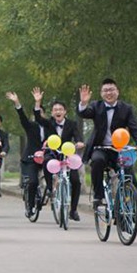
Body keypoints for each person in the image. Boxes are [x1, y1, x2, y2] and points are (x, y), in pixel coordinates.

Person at [77, 78, 137, 209]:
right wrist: (83, 103)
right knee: (97, 161)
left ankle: (127, 205)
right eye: (105, 90)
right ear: (101, 93)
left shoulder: (126, 108)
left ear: (117, 92)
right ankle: (98, 196)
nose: (109, 93)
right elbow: (84, 113)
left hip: (119, 149)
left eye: (111, 90)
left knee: (130, 177)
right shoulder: (96, 106)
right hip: (101, 148)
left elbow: (135, 127)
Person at [32, 87, 84, 221]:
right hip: (53, 153)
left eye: (60, 109)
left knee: (76, 181)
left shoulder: (72, 124)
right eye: (55, 110)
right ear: (52, 112)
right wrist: (37, 102)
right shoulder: (48, 123)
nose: (58, 112)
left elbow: (77, 135)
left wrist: (79, 142)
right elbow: (37, 117)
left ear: (65, 112)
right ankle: (50, 188)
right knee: (46, 162)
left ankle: (73, 210)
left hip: (67, 154)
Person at [6, 90, 45, 218]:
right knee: (33, 182)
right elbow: (22, 117)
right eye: (36, 113)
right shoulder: (31, 126)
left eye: (41, 113)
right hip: (31, 159)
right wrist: (17, 102)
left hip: (47, 159)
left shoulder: (50, 127)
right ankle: (30, 206)